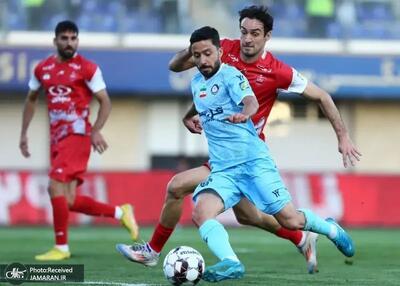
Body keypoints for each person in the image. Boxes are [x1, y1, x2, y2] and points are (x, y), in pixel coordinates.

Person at [116, 5, 361, 274]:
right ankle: (290, 242)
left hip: (249, 153)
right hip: (223, 157)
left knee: (276, 216)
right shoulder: (223, 50)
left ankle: (312, 233)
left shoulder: (277, 71)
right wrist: (196, 52)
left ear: (267, 36)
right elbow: (192, 76)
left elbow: (322, 97)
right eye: (243, 32)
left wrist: (344, 136)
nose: (247, 39)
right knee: (242, 214)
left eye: (255, 33)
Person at [19, 20, 139, 261]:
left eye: (73, 38)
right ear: (55, 41)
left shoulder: (87, 68)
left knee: (54, 186)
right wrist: (23, 133)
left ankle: (61, 248)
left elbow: (105, 101)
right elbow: (31, 99)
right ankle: (120, 212)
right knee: (70, 200)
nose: (69, 42)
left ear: (78, 41)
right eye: (64, 38)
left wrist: (95, 130)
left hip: (77, 136)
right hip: (57, 138)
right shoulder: (42, 69)